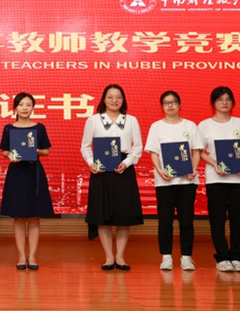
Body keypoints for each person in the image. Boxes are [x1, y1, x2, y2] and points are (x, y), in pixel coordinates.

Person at [80, 84, 143, 271]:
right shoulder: (94, 120)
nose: (114, 100)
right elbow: (85, 146)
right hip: (101, 171)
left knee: (123, 216)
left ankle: (120, 257)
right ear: (103, 100)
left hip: (123, 169)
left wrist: (128, 162)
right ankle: (108, 257)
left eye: (118, 97)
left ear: (123, 100)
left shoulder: (131, 120)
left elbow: (138, 146)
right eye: (110, 97)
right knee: (103, 216)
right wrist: (91, 163)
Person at [145, 90, 203, 271]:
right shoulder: (156, 127)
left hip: (187, 182)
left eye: (173, 102)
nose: (170, 105)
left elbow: (197, 151)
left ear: (179, 104)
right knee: (165, 221)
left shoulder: (190, 126)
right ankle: (166, 257)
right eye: (166, 102)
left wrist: (193, 169)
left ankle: (186, 257)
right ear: (162, 106)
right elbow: (154, 152)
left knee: (187, 221)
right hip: (164, 182)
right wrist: (159, 170)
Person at [198, 87, 240, 273]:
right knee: (217, 219)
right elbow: (199, 151)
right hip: (216, 179)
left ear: (233, 102)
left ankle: (237, 256)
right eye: (220, 99)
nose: (224, 102)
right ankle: (222, 257)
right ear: (213, 103)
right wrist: (216, 164)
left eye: (228, 99)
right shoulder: (204, 125)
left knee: (239, 219)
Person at [0, 92, 53, 270]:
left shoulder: (39, 128)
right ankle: (22, 256)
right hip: (16, 174)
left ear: (33, 108)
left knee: (34, 217)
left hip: (34, 173)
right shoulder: (9, 128)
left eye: (28, 105)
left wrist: (37, 151)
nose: (24, 108)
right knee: (19, 216)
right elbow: (4, 151)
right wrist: (10, 156)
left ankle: (33, 256)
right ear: (15, 108)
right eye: (21, 104)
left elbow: (46, 151)